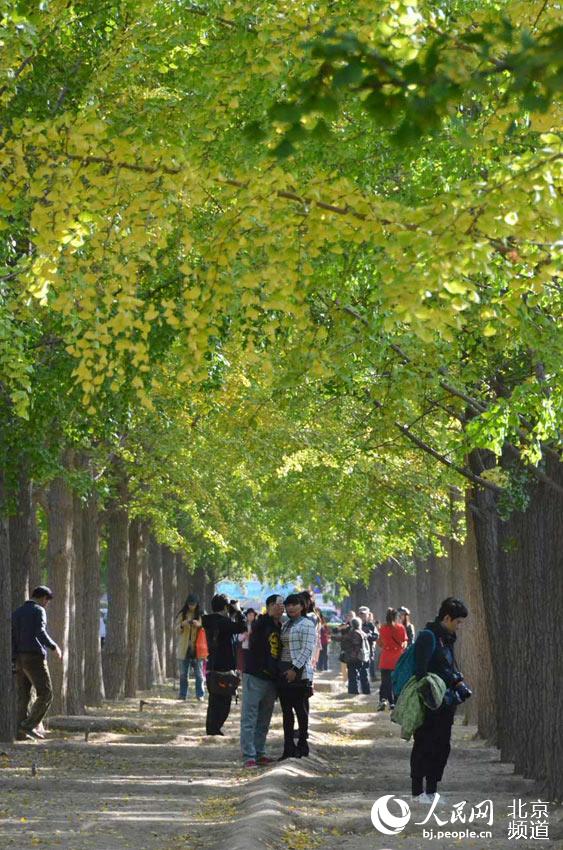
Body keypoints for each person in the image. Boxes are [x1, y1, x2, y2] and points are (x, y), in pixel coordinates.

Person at [410, 597, 471, 802]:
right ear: (447, 618)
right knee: (424, 745)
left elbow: (450, 668)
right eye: (458, 622)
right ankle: (418, 792)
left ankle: (432, 790)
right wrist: (431, 699)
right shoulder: (428, 637)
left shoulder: (447, 639)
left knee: (442, 746)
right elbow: (420, 671)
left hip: (446, 702)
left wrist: (459, 683)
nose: (459, 627)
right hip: (429, 702)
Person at [11, 586, 62, 741]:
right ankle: (27, 726)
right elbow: (40, 631)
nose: (47, 604)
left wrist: (13, 658)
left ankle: (20, 731)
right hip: (34, 657)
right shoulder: (38, 610)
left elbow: (12, 636)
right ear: (43, 598)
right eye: (47, 600)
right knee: (46, 693)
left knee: (24, 695)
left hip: (19, 658)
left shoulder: (17, 612)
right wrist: (54, 646)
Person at [240, 594, 284, 768]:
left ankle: (260, 752)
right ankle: (248, 756)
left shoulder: (280, 626)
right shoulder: (261, 623)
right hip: (255, 676)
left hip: (271, 680)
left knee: (264, 718)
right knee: (250, 717)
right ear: (270, 606)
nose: (281, 607)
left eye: (282, 604)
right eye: (277, 604)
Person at [278, 593, 317, 759]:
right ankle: (288, 747)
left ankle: (302, 743)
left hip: (299, 671)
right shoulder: (285, 625)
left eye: (294, 605)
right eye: (288, 605)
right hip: (283, 669)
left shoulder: (307, 624)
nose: (291, 608)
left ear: (302, 606)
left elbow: (307, 649)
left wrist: (295, 668)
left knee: (300, 709)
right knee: (286, 711)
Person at [202, 594, 246, 736]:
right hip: (224, 667)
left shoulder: (207, 620)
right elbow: (242, 627)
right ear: (226, 607)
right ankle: (215, 729)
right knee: (225, 700)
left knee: (214, 700)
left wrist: (231, 615)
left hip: (211, 665)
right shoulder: (224, 623)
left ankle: (212, 728)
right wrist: (239, 611)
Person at [175, 593, 207, 702]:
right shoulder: (182, 614)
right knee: (183, 674)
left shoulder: (202, 614)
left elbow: (208, 629)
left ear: (197, 604)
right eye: (189, 604)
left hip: (198, 649)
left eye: (193, 604)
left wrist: (200, 625)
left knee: (199, 674)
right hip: (184, 648)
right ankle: (182, 694)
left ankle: (200, 694)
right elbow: (176, 630)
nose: (191, 606)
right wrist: (182, 625)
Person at [377, 607, 407, 711]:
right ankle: (393, 702)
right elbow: (404, 642)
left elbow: (380, 643)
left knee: (385, 681)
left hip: (385, 658)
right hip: (397, 658)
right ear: (396, 617)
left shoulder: (382, 628)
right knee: (395, 681)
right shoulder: (401, 628)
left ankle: (383, 700)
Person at [340, 617, 371, 695]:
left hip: (351, 657)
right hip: (361, 657)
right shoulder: (363, 633)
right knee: (361, 674)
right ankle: (364, 691)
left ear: (352, 625)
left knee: (352, 675)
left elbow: (343, 644)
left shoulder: (351, 633)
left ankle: (353, 691)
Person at [357, 606, 377, 686]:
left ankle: (366, 689)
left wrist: (368, 636)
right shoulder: (356, 624)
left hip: (368, 652)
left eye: (364, 615)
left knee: (365, 672)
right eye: (361, 614)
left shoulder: (371, 626)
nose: (362, 616)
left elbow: (376, 636)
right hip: (357, 652)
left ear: (368, 615)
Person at [237, 608, 257, 673]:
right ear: (247, 615)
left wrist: (251, 636)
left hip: (253, 648)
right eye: (249, 615)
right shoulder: (243, 625)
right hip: (245, 648)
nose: (251, 616)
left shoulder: (256, 626)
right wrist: (245, 635)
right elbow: (239, 638)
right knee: (244, 667)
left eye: (252, 615)